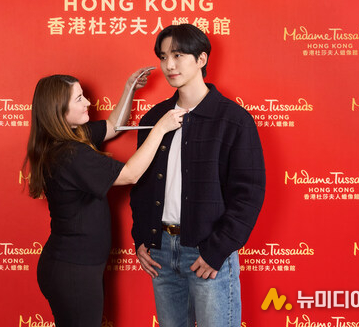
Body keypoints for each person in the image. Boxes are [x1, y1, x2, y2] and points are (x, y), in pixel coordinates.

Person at [25, 70, 187, 327]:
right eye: (79, 99)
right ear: (59, 110)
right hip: (74, 270)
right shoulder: (71, 154)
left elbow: (113, 126)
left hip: (72, 267)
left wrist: (130, 88)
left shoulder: (69, 136)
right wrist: (161, 129)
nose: (88, 102)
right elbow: (131, 174)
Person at [130, 24, 266, 327]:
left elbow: (249, 194)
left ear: (201, 59)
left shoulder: (233, 120)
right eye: (163, 57)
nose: (169, 65)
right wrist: (141, 237)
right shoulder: (154, 118)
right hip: (160, 253)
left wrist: (217, 250)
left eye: (178, 55)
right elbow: (141, 185)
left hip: (207, 252)